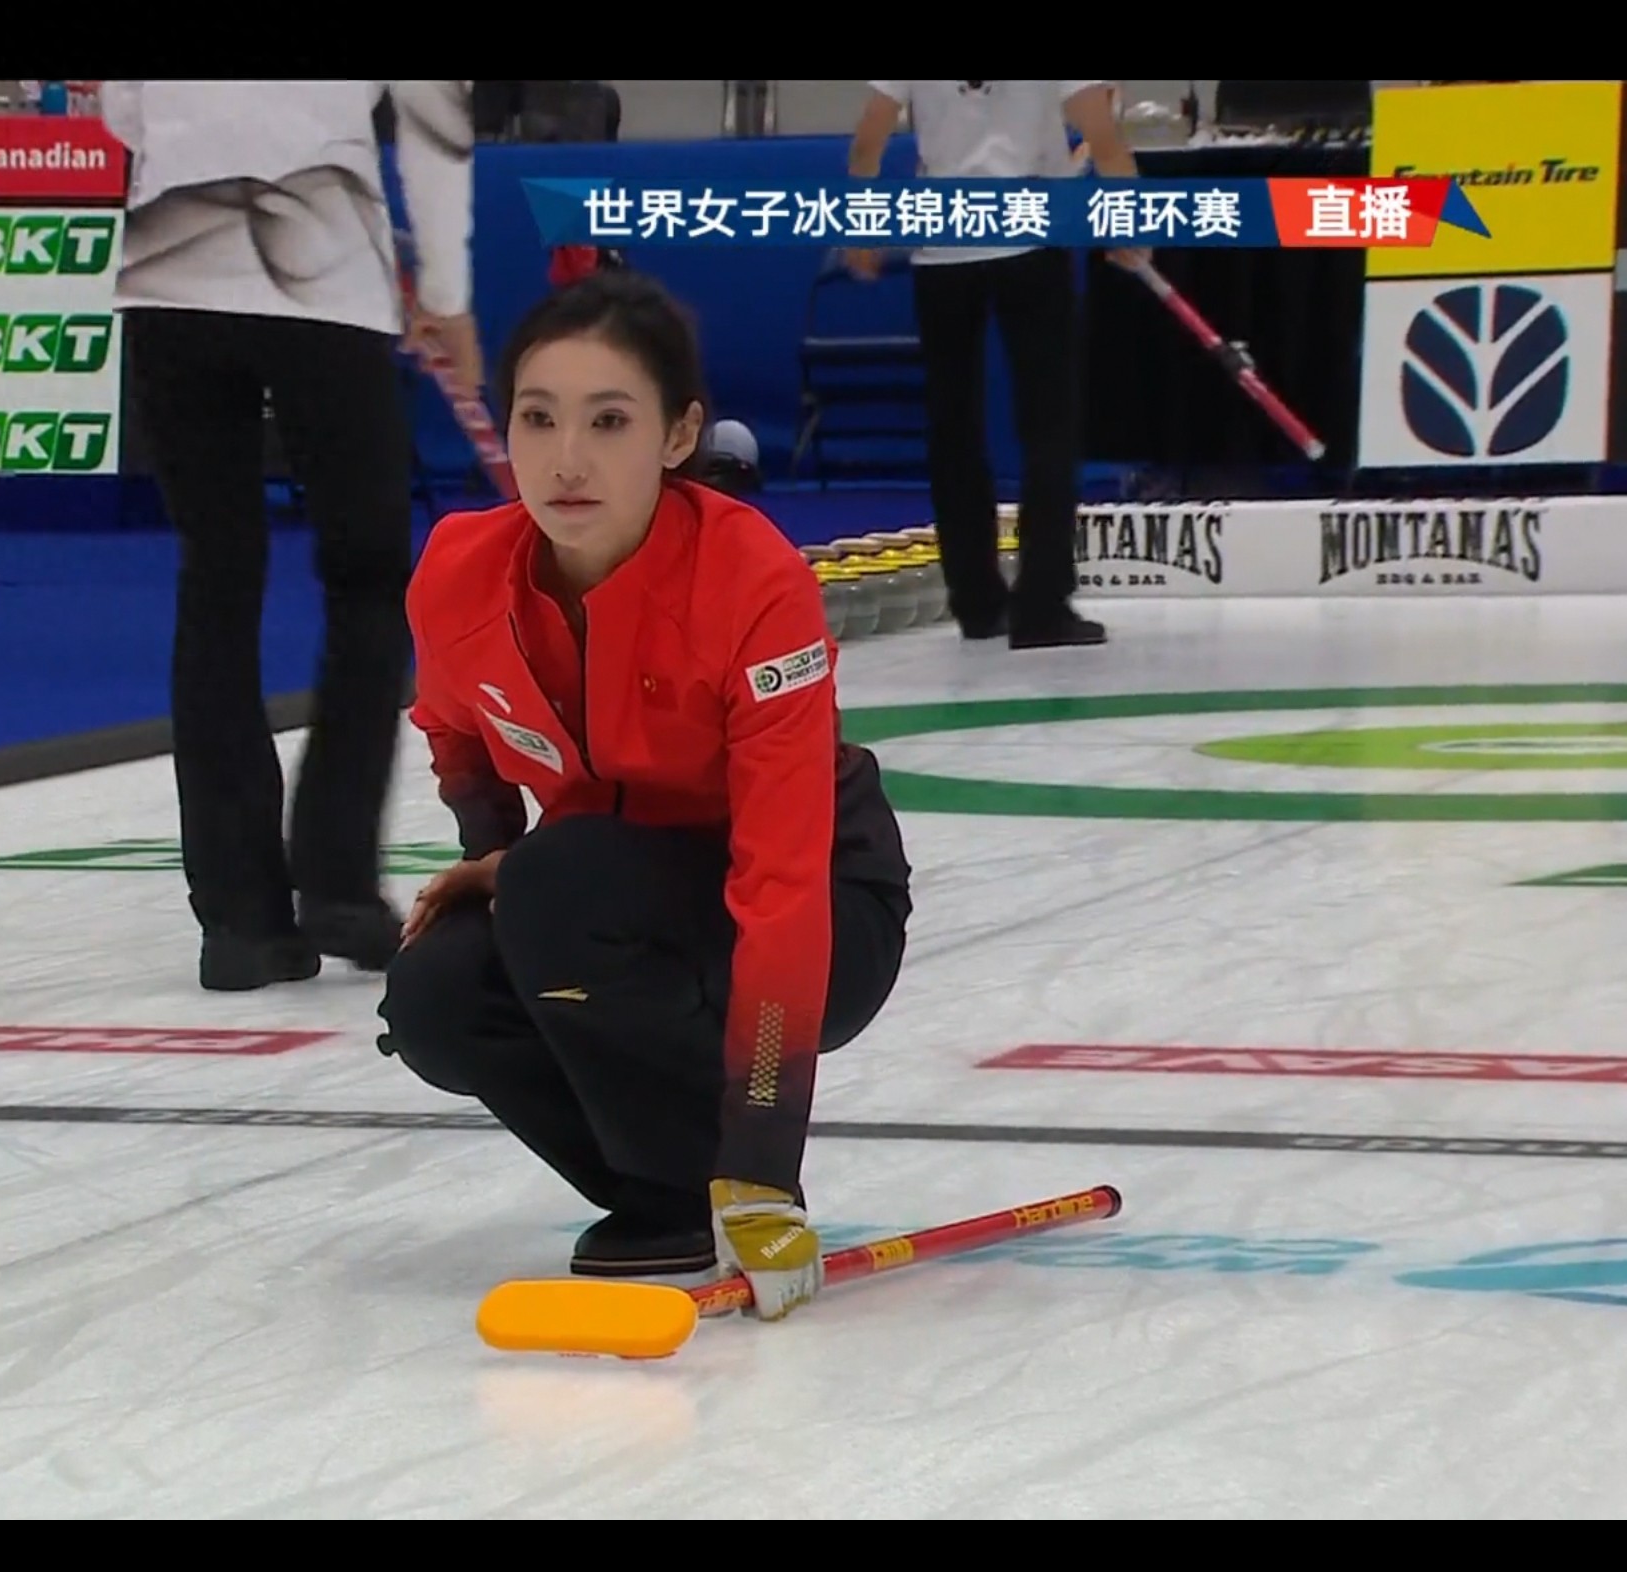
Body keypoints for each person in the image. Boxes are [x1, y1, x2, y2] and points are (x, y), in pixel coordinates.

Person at [376, 268, 913, 1321]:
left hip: (816, 904)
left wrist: (764, 1141)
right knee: (436, 995)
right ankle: (664, 1193)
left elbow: (781, 877)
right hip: (598, 890)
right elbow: (454, 729)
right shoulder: (457, 570)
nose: (566, 459)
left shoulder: (750, 579)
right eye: (538, 418)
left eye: (608, 421)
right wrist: (491, 849)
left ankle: (729, 1180)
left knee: (559, 884)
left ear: (677, 437)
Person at [102, 81, 483, 992]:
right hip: (324, 270)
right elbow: (435, 127)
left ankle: (239, 920)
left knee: (218, 572)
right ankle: (338, 880)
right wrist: (447, 296)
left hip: (172, 263)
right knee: (366, 570)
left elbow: (119, 110)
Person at [843, 81, 1145, 649]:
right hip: (1030, 235)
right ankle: (1042, 604)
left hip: (944, 243)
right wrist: (1129, 221)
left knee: (953, 426)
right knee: (1049, 425)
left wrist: (862, 222)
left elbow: (867, 141)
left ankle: (976, 601)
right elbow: (1102, 135)